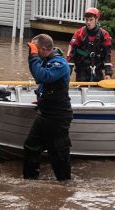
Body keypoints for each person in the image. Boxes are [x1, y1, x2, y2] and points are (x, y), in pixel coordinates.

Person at [23, 33, 73, 181]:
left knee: (58, 154)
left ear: (44, 49)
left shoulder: (60, 64)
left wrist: (33, 56)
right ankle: (30, 181)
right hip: (44, 113)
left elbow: (42, 77)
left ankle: (65, 187)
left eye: (34, 49)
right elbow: (42, 82)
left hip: (58, 116)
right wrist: (42, 99)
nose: (33, 52)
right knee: (31, 146)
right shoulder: (46, 60)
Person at [67, 7, 113, 82]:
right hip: (82, 70)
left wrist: (108, 73)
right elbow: (71, 54)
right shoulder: (79, 34)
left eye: (91, 19)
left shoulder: (104, 35)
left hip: (97, 70)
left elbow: (107, 56)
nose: (88, 22)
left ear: (97, 20)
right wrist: (68, 74)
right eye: (86, 20)